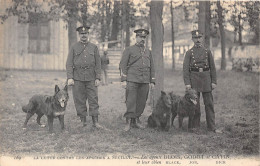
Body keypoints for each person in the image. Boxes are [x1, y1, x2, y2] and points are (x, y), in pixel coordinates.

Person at [183, 30, 221, 133]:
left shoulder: (207, 52)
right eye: (195, 38)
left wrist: (213, 81)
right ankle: (195, 127)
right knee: (195, 104)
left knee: (209, 103)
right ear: (192, 39)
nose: (198, 40)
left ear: (202, 38)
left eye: (199, 37)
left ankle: (212, 127)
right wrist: (187, 83)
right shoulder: (189, 53)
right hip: (194, 79)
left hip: (206, 79)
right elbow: (185, 69)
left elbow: (212, 67)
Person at [66, 25, 103, 129]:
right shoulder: (74, 47)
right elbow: (69, 63)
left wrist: (98, 77)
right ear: (79, 35)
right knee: (79, 99)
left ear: (88, 34)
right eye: (82, 34)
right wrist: (70, 77)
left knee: (93, 99)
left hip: (91, 77)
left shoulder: (94, 47)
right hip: (77, 78)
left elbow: (98, 63)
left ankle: (95, 122)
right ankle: (83, 121)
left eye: (85, 33)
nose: (84, 35)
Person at [119, 28, 156, 131]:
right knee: (130, 101)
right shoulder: (129, 50)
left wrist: (152, 81)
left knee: (141, 101)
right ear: (136, 37)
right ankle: (128, 122)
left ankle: (136, 120)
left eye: (144, 37)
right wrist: (124, 80)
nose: (142, 39)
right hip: (132, 79)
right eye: (140, 37)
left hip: (144, 80)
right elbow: (123, 65)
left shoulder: (148, 52)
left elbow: (152, 66)